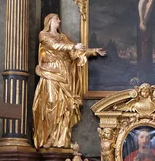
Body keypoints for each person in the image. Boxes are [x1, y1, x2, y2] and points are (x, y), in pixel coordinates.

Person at [32, 13, 105, 149]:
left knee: (65, 106)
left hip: (65, 75)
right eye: (56, 19)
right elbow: (55, 46)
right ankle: (49, 137)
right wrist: (73, 47)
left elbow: (75, 53)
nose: (59, 21)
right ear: (49, 21)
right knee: (52, 103)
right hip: (51, 73)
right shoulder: (44, 35)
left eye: (59, 19)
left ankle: (61, 139)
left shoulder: (63, 37)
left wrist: (93, 51)